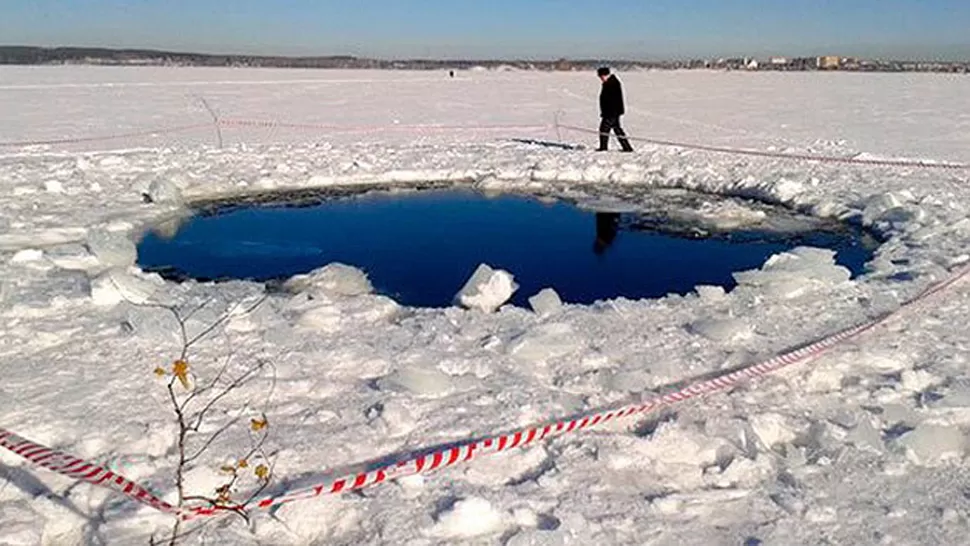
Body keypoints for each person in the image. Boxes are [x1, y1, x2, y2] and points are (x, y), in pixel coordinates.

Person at [596, 67, 634, 152]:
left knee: (604, 129)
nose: (601, 79)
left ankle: (603, 148)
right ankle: (627, 148)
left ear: (606, 75)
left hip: (611, 112)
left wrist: (609, 112)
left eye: (601, 77)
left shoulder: (612, 83)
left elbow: (613, 100)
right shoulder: (610, 82)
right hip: (612, 112)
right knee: (617, 129)